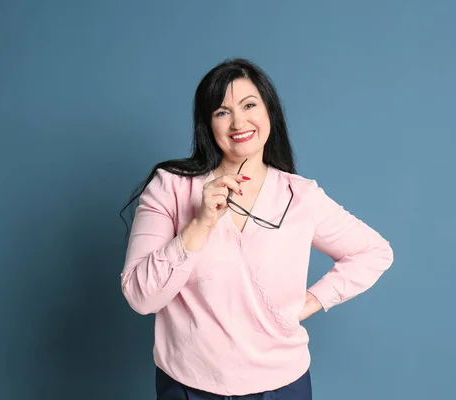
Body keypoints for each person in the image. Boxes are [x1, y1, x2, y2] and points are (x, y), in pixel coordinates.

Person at [119, 58, 394, 399]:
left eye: (249, 105)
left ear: (269, 112)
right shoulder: (170, 187)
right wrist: (200, 224)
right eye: (222, 112)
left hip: (282, 386)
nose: (239, 122)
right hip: (188, 386)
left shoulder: (300, 195)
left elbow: (374, 251)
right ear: (207, 124)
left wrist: (312, 301)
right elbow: (141, 298)